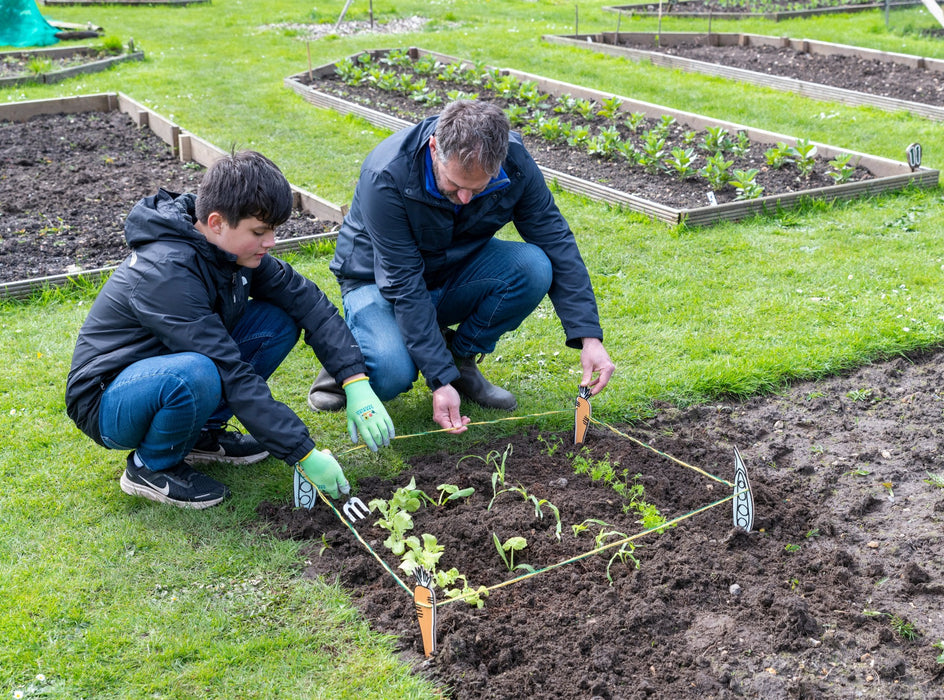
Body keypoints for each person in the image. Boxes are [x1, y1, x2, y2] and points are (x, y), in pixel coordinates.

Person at [66, 150, 394, 509]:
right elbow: (229, 369)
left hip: (168, 368)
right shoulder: (165, 272)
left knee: (279, 318)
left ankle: (200, 436)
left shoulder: (230, 252)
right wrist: (304, 453)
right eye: (259, 232)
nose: (271, 243)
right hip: (107, 399)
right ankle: (151, 466)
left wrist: (355, 381)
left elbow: (307, 302)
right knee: (198, 372)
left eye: (273, 231)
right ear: (217, 222)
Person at [308, 99, 615, 433]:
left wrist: (588, 337)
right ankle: (349, 361)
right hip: (375, 280)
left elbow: (555, 240)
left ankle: (460, 360)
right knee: (392, 374)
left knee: (534, 267)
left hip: (452, 268)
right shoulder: (386, 175)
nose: (466, 198)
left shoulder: (515, 164)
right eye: (455, 186)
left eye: (478, 188)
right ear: (435, 147)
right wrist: (439, 382)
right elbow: (404, 283)